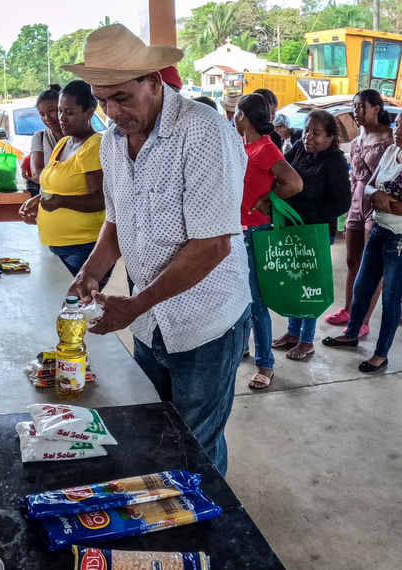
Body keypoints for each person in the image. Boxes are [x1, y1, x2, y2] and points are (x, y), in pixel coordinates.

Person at [63, 24, 251, 475]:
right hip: (148, 321)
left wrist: (133, 305)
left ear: (153, 80)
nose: (111, 112)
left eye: (122, 98)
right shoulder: (111, 142)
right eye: (102, 99)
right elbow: (116, 219)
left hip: (205, 321)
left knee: (195, 446)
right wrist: (92, 271)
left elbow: (213, 244)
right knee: (155, 430)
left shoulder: (202, 131)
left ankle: (207, 536)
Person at [234, 94, 303, 390]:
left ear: (242, 116)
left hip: (254, 233)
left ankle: (266, 364)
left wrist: (269, 199)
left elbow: (295, 183)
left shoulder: (265, 148)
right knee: (240, 298)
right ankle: (244, 348)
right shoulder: (244, 145)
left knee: (256, 301)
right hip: (236, 231)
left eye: (235, 112)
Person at [271, 110, 351, 361]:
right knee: (294, 283)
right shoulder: (299, 149)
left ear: (330, 137)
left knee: (309, 287)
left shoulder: (335, 160)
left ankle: (307, 340)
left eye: (316, 133)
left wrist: (311, 216)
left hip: (315, 233)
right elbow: (281, 170)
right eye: (307, 130)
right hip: (293, 229)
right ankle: (293, 333)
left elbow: (342, 202)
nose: (308, 137)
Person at [323, 121, 402, 372]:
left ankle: (381, 354)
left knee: (391, 298)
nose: (398, 131)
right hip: (380, 228)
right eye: (398, 125)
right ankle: (352, 332)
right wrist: (376, 196)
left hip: (398, 238)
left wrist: (385, 201)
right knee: (362, 284)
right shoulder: (392, 152)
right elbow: (368, 185)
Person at [20, 81, 108, 282]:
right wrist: (39, 201)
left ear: (89, 112)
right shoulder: (63, 143)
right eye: (60, 111)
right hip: (54, 244)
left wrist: (61, 202)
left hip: (82, 248)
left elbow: (101, 200)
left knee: (74, 309)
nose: (62, 118)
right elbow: (52, 185)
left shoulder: (94, 145)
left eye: (69, 112)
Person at [325, 90, 394, 335]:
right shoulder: (356, 140)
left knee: (371, 266)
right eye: (355, 106)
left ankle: (362, 319)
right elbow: (354, 177)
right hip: (357, 201)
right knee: (352, 259)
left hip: (377, 205)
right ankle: (347, 309)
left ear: (376, 108)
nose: (357, 110)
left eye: (361, 105)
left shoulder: (390, 138)